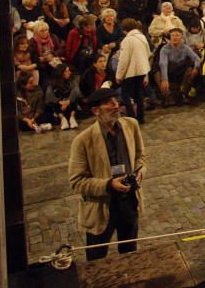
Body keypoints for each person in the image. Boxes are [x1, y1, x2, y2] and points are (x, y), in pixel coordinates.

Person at [67, 84, 145, 261]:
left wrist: (140, 173)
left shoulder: (131, 126)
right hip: (101, 208)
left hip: (129, 203)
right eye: (109, 103)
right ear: (96, 110)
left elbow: (141, 156)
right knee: (96, 258)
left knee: (130, 255)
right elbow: (77, 181)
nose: (116, 105)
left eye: (115, 100)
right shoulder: (82, 141)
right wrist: (108, 184)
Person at [115, 18, 151, 124]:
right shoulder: (142, 37)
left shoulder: (127, 40)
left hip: (130, 72)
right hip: (142, 70)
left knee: (125, 94)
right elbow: (148, 54)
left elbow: (124, 60)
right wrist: (146, 74)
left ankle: (131, 117)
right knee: (138, 94)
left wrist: (119, 75)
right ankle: (141, 117)